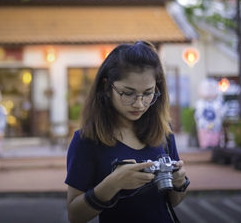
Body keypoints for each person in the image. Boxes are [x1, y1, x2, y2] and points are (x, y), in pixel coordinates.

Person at [65, 41, 189, 223]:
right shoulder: (87, 139)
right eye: (128, 93)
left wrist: (179, 182)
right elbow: (75, 215)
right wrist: (113, 184)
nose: (139, 104)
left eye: (148, 93)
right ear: (107, 87)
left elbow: (174, 202)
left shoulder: (164, 131)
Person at [194, 78, 226, 149]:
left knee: (215, 140)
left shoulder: (218, 102)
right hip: (203, 126)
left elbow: (222, 113)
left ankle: (214, 148)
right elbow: (197, 115)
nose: (209, 90)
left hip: (215, 126)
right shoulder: (200, 103)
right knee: (204, 141)